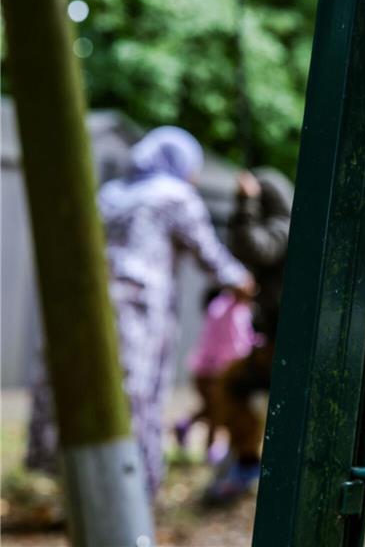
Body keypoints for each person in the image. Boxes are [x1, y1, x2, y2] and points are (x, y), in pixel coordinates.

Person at [26, 126, 253, 498]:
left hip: (87, 304)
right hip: (136, 310)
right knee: (135, 395)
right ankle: (129, 491)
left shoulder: (112, 194)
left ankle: (77, 484)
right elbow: (211, 256)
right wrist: (242, 282)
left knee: (83, 389)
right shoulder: (175, 196)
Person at [203, 167, 293, 504]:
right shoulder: (284, 227)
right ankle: (244, 459)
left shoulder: (283, 227)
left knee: (231, 386)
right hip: (272, 341)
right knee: (230, 385)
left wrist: (246, 201)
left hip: (283, 346)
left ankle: (246, 463)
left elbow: (252, 247)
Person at [174, 287, 258, 463]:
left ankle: (188, 426)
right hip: (214, 370)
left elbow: (243, 338)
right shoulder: (228, 309)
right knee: (218, 410)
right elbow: (234, 345)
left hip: (210, 369)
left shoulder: (229, 308)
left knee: (213, 409)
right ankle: (210, 450)